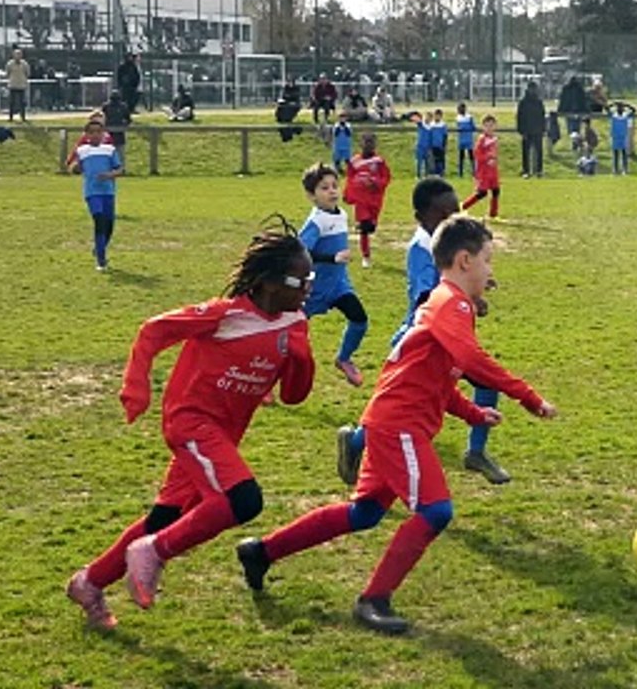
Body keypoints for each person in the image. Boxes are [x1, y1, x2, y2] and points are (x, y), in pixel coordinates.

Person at [236, 213, 557, 635]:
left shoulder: (444, 305)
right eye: (488, 261)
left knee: (365, 512)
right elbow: (473, 362)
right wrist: (529, 398)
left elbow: (436, 383)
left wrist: (475, 414)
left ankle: (262, 551)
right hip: (399, 427)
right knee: (436, 510)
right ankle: (374, 599)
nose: (490, 271)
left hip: (393, 422)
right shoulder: (451, 304)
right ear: (464, 260)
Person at [64, 217, 316, 630]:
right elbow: (152, 332)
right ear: (269, 283)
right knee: (243, 500)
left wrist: (303, 359)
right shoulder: (225, 315)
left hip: (222, 438)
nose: (308, 286)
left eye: (312, 277)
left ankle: (88, 582)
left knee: (164, 517)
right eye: (300, 278)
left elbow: (293, 396)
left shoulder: (295, 323)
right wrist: (136, 388)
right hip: (190, 422)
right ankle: (154, 552)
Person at [336, 178, 509, 485]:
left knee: (480, 384)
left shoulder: (450, 245)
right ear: (422, 218)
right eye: (444, 214)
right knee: (402, 404)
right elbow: (425, 296)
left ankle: (476, 452)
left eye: (456, 210)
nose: (453, 218)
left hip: (445, 338)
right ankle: (357, 442)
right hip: (419, 339)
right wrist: (472, 297)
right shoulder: (421, 248)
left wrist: (477, 282)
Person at [299, 163, 370, 387]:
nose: (332, 191)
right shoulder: (316, 221)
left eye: (334, 186)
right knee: (291, 341)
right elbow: (301, 252)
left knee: (360, 319)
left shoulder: (342, 215)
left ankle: (344, 358)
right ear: (311, 195)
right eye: (324, 188)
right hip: (313, 289)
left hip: (338, 285)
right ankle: (267, 381)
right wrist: (331, 258)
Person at [72, 118, 124, 271]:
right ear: (86, 135)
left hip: (108, 192)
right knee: (99, 221)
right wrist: (75, 168)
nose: (95, 135)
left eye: (98, 132)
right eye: (91, 132)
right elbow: (75, 168)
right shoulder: (82, 150)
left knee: (109, 226)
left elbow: (120, 169)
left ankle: (99, 247)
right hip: (92, 192)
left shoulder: (110, 150)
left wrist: (110, 174)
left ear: (103, 134)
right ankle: (101, 260)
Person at [343, 132, 392, 269]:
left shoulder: (379, 161)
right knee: (364, 227)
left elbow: (386, 178)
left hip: (375, 199)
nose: (368, 146)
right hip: (361, 200)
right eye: (366, 142)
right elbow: (350, 179)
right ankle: (366, 256)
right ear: (361, 144)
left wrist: (376, 183)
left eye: (371, 143)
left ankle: (370, 225)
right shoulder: (354, 162)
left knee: (371, 226)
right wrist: (348, 193)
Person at [461, 115, 501, 219]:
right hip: (483, 171)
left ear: (495, 126)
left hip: (493, 171)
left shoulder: (494, 139)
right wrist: (488, 158)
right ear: (483, 127)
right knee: (482, 193)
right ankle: (464, 206)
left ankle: (493, 214)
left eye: (491, 125)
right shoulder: (482, 139)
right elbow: (477, 154)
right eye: (487, 126)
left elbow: (495, 153)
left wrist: (494, 160)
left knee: (496, 190)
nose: (489, 128)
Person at [516, 81, 546, 178]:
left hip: (537, 130)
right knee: (525, 152)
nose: (533, 90)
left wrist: (543, 129)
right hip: (527, 130)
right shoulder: (523, 102)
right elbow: (520, 117)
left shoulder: (539, 102)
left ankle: (539, 171)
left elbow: (542, 116)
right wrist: (521, 130)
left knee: (539, 152)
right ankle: (526, 170)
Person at [100, 89, 132, 165]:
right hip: (114, 133)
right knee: (119, 152)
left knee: (111, 151)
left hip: (111, 132)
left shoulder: (106, 106)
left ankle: (112, 167)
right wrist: (124, 125)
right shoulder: (122, 106)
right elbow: (128, 120)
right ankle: (120, 168)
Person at [5, 48, 31, 122]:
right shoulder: (9, 64)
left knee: (22, 102)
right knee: (11, 102)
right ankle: (11, 117)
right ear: (13, 55)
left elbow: (27, 73)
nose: (18, 56)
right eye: (16, 54)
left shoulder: (25, 64)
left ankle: (23, 117)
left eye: (19, 54)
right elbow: (7, 73)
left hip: (21, 86)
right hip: (12, 85)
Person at [607, 102, 634, 175]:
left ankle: (625, 169)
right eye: (618, 108)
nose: (620, 109)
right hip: (615, 137)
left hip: (623, 137)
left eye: (621, 108)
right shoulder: (613, 116)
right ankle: (615, 170)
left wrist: (627, 105)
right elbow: (607, 109)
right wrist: (613, 104)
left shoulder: (626, 116)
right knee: (615, 154)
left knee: (624, 154)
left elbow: (633, 111)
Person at [455, 102, 477, 177]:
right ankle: (461, 173)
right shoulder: (458, 118)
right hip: (462, 139)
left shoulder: (469, 117)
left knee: (471, 155)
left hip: (468, 139)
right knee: (461, 156)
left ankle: (474, 172)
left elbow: (473, 127)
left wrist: (466, 128)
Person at [414, 110, 434, 178]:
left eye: (429, 117)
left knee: (427, 162)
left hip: (428, 147)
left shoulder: (431, 127)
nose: (427, 118)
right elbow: (417, 120)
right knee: (419, 162)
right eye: (427, 117)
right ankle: (418, 175)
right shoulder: (422, 124)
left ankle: (426, 175)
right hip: (420, 146)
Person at [430, 108, 449, 177]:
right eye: (436, 115)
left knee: (441, 159)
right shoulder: (431, 125)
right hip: (432, 145)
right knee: (433, 159)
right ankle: (434, 172)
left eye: (438, 116)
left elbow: (445, 136)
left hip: (440, 145)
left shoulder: (443, 125)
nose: (437, 117)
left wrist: (444, 145)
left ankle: (442, 172)